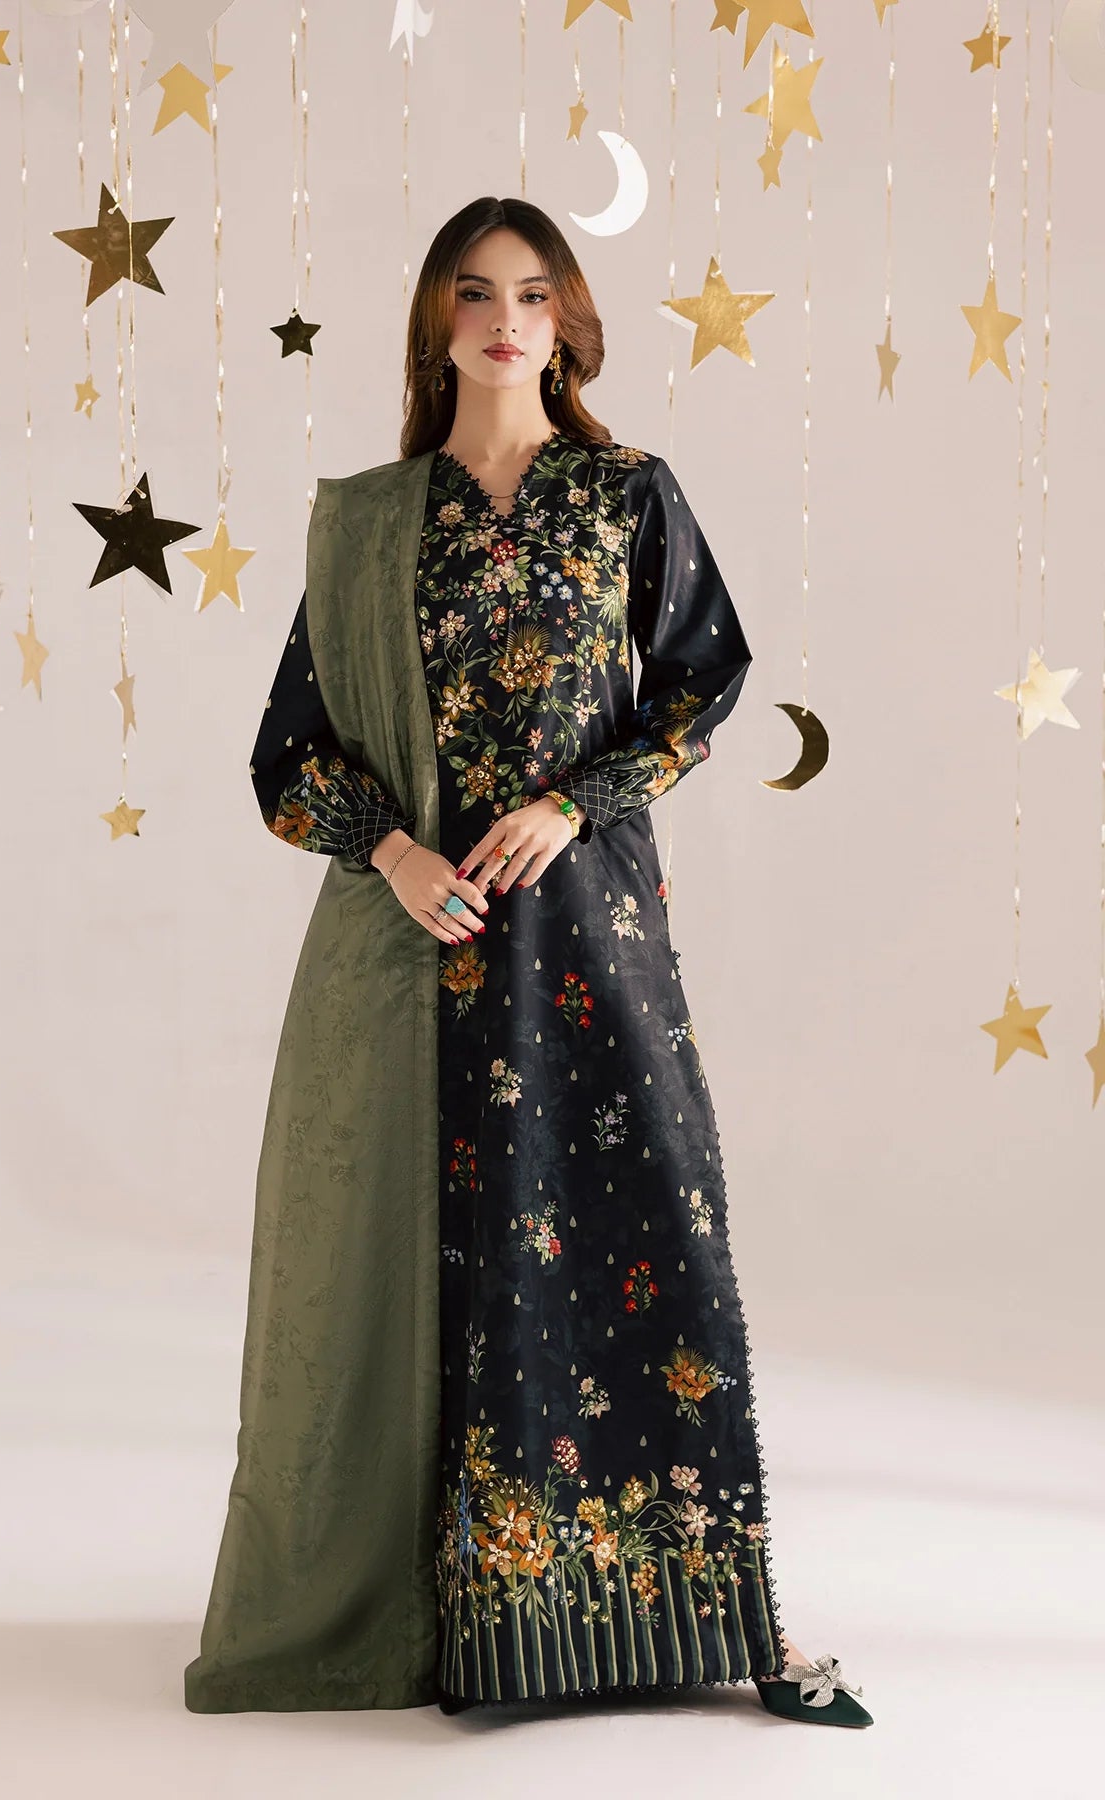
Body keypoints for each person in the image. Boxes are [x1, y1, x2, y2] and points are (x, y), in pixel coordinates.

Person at [183, 196, 872, 1728]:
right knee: (445, 1264)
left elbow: (701, 683)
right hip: (424, 951)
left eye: (534, 293)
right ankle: (462, 1622)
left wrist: (574, 804)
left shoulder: (626, 493)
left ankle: (682, 1613)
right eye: (477, 292)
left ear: (568, 322)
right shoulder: (376, 521)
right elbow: (290, 754)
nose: (506, 320)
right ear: (437, 319)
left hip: (590, 934)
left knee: (643, 1234)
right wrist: (394, 854)